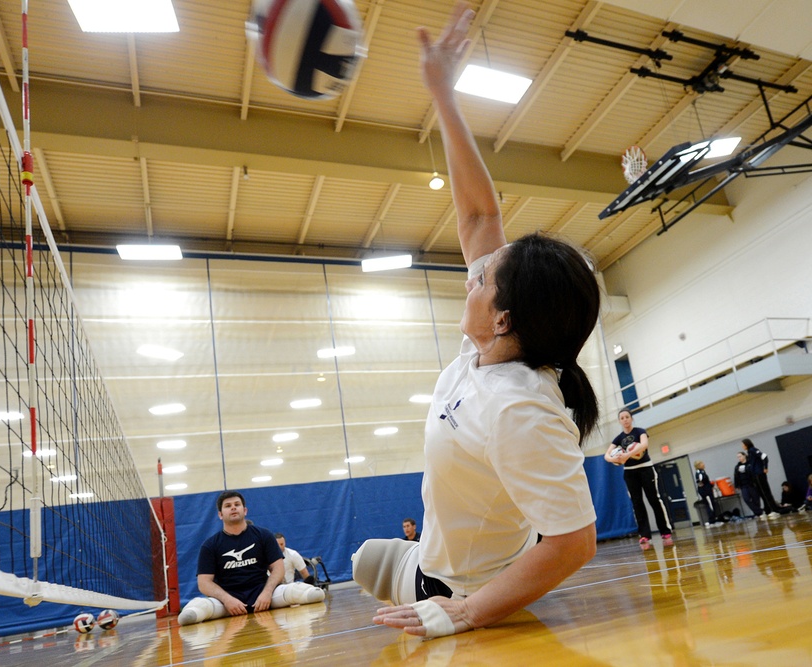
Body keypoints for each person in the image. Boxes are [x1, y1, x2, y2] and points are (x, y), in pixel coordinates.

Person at [352, 3, 601, 638]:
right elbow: (477, 216)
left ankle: (458, 595)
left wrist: (465, 612)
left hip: (465, 587)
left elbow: (574, 542)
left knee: (387, 588)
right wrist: (442, 92)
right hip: (430, 553)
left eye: (485, 277)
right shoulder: (491, 351)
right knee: (362, 561)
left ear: (502, 317)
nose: (475, 272)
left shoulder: (519, 406)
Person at [177, 491, 325, 625]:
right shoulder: (210, 545)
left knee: (312, 594)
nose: (233, 508)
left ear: (245, 510)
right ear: (220, 514)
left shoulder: (264, 535)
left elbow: (278, 568)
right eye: (228, 506)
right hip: (227, 601)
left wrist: (267, 593)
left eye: (237, 504)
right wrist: (228, 600)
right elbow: (204, 583)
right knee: (190, 615)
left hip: (264, 596)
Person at [606, 409, 673, 548]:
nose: (625, 419)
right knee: (637, 503)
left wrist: (627, 455)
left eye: (627, 417)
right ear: (619, 421)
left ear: (631, 418)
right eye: (622, 418)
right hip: (630, 473)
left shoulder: (640, 431)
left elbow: (644, 445)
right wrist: (615, 458)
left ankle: (665, 531)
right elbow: (606, 456)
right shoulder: (618, 439)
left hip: (646, 469)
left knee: (654, 499)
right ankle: (644, 535)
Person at [742, 439, 781, 518]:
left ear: (746, 444)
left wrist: (765, 467)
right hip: (755, 475)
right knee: (761, 493)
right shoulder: (749, 452)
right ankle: (768, 510)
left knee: (765, 492)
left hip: (759, 474)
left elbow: (764, 457)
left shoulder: (753, 450)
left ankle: (774, 510)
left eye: (743, 444)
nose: (742, 446)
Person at [733, 451, 764, 519]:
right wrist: (737, 485)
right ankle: (760, 511)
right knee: (746, 499)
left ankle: (758, 514)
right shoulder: (737, 467)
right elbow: (736, 476)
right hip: (743, 485)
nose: (739, 458)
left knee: (756, 499)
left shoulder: (750, 464)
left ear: (744, 456)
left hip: (752, 484)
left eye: (740, 456)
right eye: (738, 457)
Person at [693, 460, 721, 527]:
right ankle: (712, 521)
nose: (704, 464)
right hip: (705, 491)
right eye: (702, 463)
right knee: (709, 505)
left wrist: (711, 485)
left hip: (707, 490)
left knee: (712, 504)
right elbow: (700, 480)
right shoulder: (699, 472)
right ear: (699, 465)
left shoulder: (703, 471)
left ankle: (713, 519)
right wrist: (701, 484)